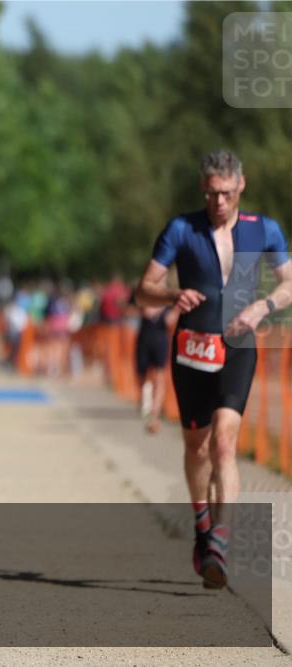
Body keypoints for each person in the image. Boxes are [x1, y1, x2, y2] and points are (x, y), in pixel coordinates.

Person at [136, 149, 291, 589]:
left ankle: (220, 547)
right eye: (210, 194)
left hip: (239, 346)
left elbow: (289, 281)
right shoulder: (182, 229)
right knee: (197, 447)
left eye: (224, 193)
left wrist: (263, 306)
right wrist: (171, 297)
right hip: (192, 350)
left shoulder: (264, 230)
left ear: (241, 185)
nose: (217, 202)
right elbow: (143, 291)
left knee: (225, 442)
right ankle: (202, 525)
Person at [134, 299, 177, 434]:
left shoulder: (170, 302)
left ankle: (155, 411)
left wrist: (177, 309)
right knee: (142, 375)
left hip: (160, 341)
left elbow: (169, 321)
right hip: (144, 340)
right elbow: (146, 312)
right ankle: (145, 400)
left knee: (159, 376)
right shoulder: (146, 295)